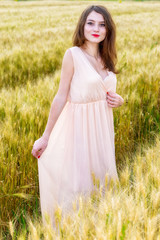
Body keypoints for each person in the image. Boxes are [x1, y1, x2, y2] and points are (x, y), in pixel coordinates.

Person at [31, 5, 124, 227]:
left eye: (102, 25)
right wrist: (45, 136)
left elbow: (105, 92)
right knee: (80, 182)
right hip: (79, 128)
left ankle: (99, 228)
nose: (96, 29)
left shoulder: (107, 57)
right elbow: (61, 96)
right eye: (90, 23)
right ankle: (72, 229)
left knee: (101, 180)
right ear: (82, 25)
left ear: (108, 30)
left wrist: (120, 100)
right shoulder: (72, 55)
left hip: (102, 128)